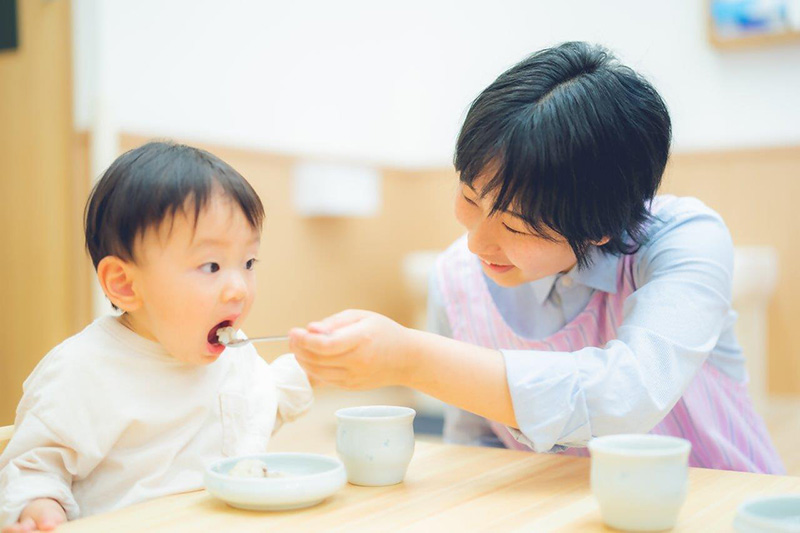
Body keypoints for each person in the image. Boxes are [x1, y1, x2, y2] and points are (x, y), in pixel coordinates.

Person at [288, 42, 784, 474]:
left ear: (599, 226)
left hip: (724, 502)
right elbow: (476, 446)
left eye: (514, 225)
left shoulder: (685, 240)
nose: (478, 245)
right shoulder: (456, 277)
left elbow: (625, 396)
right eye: (469, 197)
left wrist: (410, 357)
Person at [0, 142, 313, 532]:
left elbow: (259, 404)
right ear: (125, 284)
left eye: (248, 263)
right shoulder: (82, 370)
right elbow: (33, 467)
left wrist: (314, 364)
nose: (239, 289)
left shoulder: (234, 354)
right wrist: (40, 509)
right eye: (211, 265)